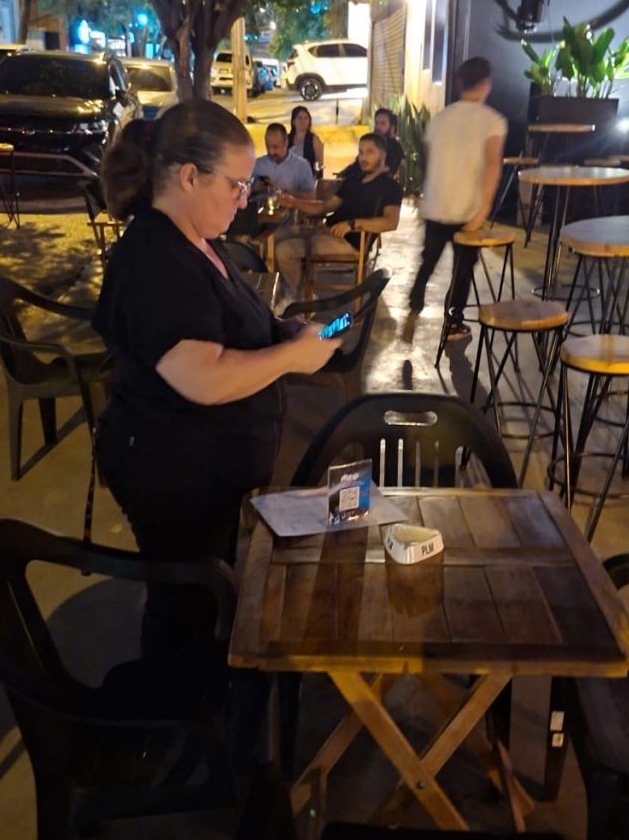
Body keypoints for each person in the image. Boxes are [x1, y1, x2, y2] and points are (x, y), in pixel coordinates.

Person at [93, 103, 339, 761]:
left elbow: (232, 328)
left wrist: (284, 333)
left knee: (199, 597)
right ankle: (168, 740)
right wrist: (289, 358)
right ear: (186, 176)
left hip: (208, 470)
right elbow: (200, 375)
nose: (243, 198)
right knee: (184, 601)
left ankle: (194, 712)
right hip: (172, 472)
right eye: (235, 184)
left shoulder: (196, 241)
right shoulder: (153, 258)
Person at [401, 57, 506, 345]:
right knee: (462, 270)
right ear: (485, 85)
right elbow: (492, 167)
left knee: (428, 262)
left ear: (460, 83)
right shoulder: (493, 121)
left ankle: (414, 305)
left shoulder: (439, 119)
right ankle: (453, 322)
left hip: (436, 205)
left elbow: (429, 164)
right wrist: (483, 210)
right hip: (467, 211)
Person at [274, 132, 402, 296]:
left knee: (284, 251)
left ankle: (301, 299)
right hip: (328, 231)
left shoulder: (390, 186)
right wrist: (294, 203)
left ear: (383, 155)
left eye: (370, 152)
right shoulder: (354, 180)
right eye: (361, 152)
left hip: (350, 242)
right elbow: (325, 207)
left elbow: (391, 222)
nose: (363, 157)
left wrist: (352, 224)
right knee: (274, 238)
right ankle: (290, 291)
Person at [253, 122, 315, 195]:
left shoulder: (302, 166)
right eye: (268, 146)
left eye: (275, 147)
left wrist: (281, 191)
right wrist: (254, 188)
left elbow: (310, 196)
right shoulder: (257, 165)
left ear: (286, 143)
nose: (271, 152)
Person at [288, 105, 324, 178]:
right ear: (293, 121)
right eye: (299, 118)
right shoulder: (286, 138)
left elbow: (320, 164)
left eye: (306, 118)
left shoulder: (314, 139)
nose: (303, 121)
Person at [373, 107, 405, 177]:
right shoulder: (371, 142)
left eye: (383, 123)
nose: (378, 127)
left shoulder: (395, 148)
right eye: (376, 123)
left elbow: (388, 171)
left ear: (391, 127)